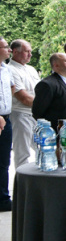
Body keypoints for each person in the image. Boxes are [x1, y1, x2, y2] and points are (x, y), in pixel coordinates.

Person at [8, 39, 41, 168]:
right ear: (15, 52)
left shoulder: (31, 69)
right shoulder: (10, 70)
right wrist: (46, 104)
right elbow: (24, 98)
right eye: (26, 51)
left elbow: (40, 92)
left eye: (30, 51)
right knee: (23, 153)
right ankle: (21, 179)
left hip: (36, 115)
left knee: (43, 148)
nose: (30, 54)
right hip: (20, 115)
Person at [0, 39, 11, 211]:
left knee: (3, 162)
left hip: (7, 119)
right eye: (6, 47)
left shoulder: (6, 69)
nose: (9, 49)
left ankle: (3, 199)